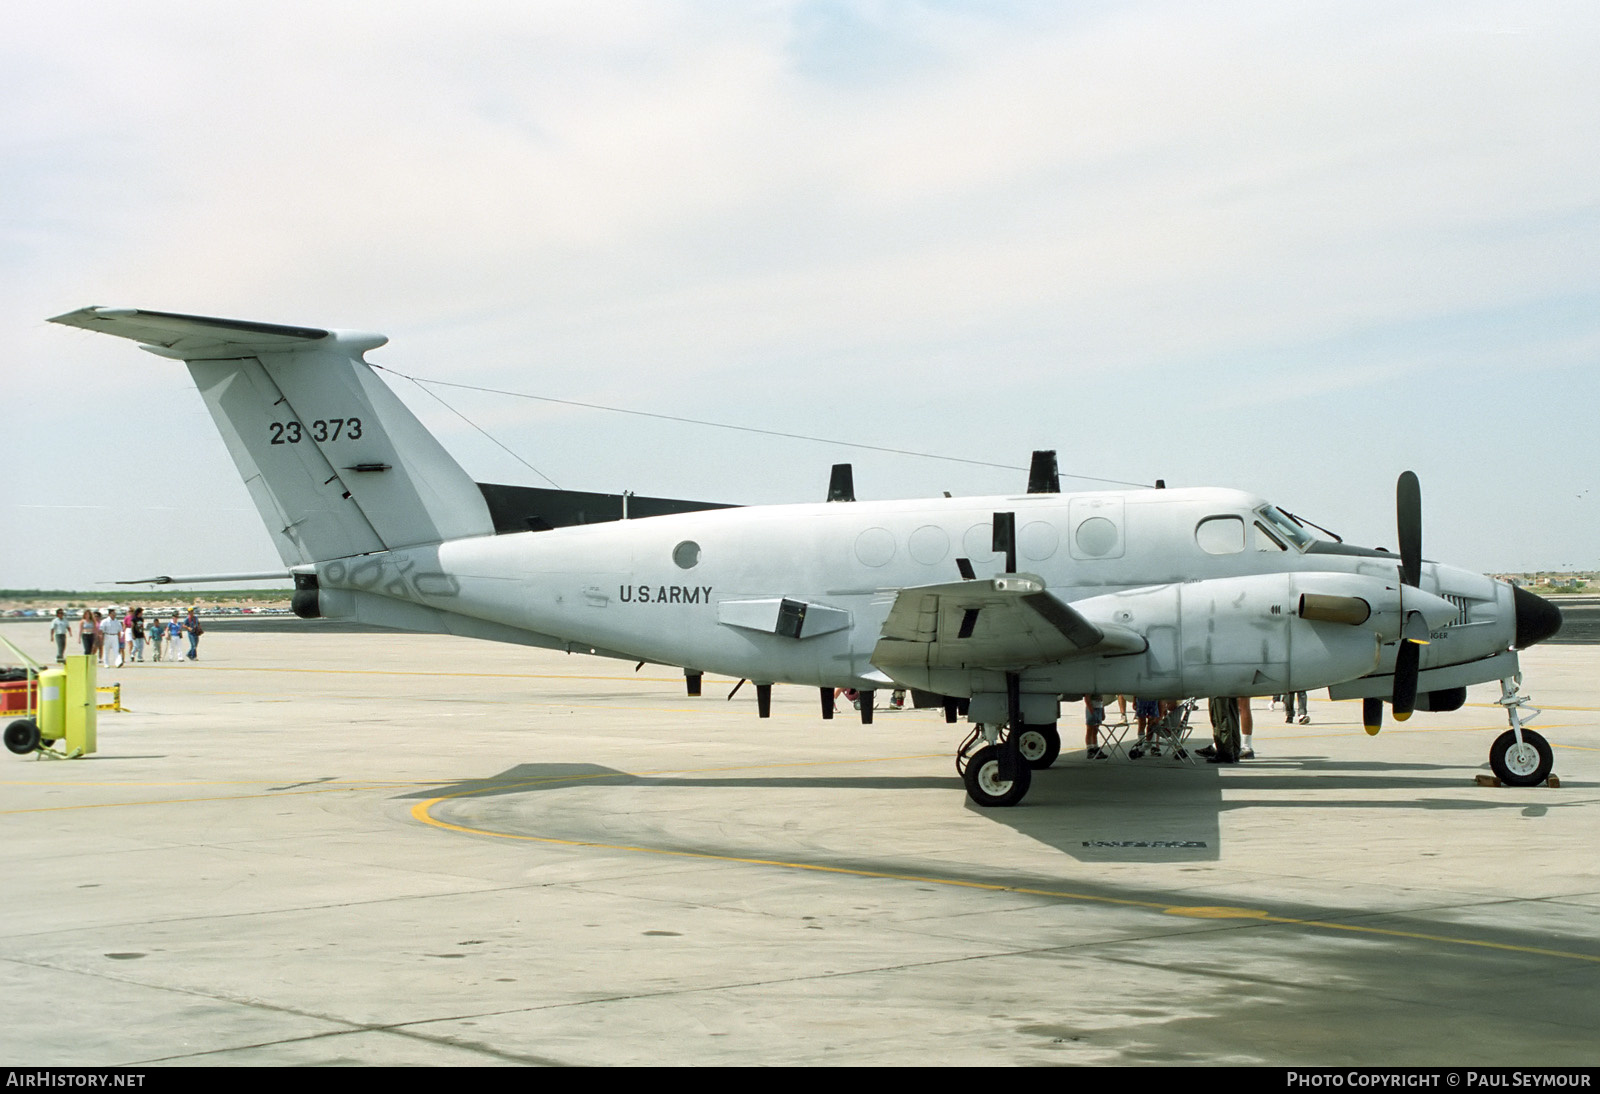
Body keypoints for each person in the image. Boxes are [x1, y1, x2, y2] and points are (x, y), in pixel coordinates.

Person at [1084, 695, 1108, 759]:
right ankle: (1090, 749)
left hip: (1099, 707)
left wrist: (1103, 712)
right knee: (1089, 729)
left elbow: (1101, 700)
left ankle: (1095, 747)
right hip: (1092, 707)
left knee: (1095, 730)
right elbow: (1087, 698)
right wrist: (1091, 711)